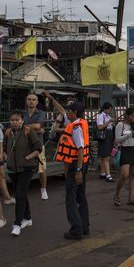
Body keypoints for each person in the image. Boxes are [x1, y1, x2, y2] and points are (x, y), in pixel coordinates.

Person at [44, 92, 90, 240]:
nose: (67, 113)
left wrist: (77, 170)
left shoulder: (76, 128)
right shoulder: (80, 123)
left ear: (74, 112)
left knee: (71, 198)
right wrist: (51, 99)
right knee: (80, 196)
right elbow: (61, 110)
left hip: (76, 165)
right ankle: (84, 227)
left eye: (69, 111)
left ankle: (76, 230)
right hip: (82, 164)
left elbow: (81, 148)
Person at [5, 110, 42, 236]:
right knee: (21, 194)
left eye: (17, 120)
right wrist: (4, 156)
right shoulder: (8, 132)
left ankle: (17, 223)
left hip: (27, 168)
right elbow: (5, 148)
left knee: (19, 195)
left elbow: (38, 148)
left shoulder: (28, 131)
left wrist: (28, 157)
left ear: (22, 121)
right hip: (12, 169)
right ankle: (28, 218)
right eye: (12, 120)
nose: (14, 122)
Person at [112, 107, 134, 205]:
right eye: (132, 116)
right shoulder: (120, 125)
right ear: (127, 116)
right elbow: (117, 139)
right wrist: (130, 134)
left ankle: (131, 198)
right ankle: (117, 194)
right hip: (125, 150)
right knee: (124, 175)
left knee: (133, 175)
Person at [23, 93, 49, 200]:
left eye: (34, 99)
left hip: (38, 143)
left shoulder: (41, 113)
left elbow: (39, 125)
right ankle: (23, 189)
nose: (31, 101)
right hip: (24, 144)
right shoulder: (22, 113)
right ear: (26, 101)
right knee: (23, 167)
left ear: (37, 102)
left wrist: (24, 126)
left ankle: (43, 190)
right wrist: (36, 128)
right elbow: (37, 127)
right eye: (29, 99)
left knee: (41, 169)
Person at [95, 102, 115, 182]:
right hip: (104, 136)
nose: (110, 111)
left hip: (109, 136)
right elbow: (99, 127)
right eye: (109, 109)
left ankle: (103, 173)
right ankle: (108, 175)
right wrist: (109, 122)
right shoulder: (101, 116)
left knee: (104, 156)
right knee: (106, 156)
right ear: (105, 109)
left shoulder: (107, 116)